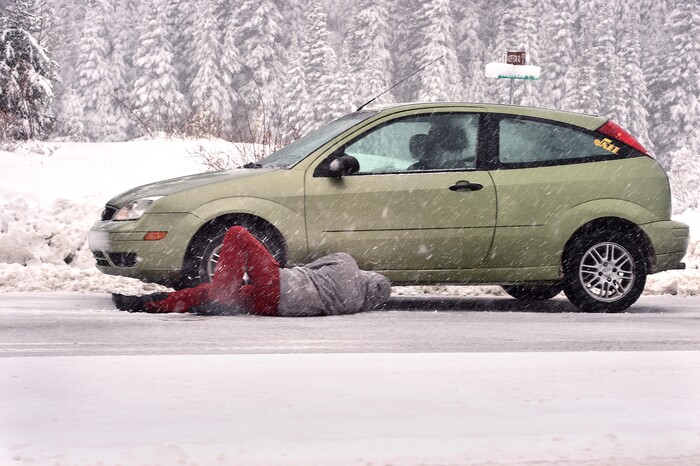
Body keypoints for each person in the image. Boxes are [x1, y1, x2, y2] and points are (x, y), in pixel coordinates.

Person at [112, 226, 392, 317]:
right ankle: (147, 304)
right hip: (274, 307)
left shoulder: (346, 263)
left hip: (280, 285)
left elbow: (309, 266)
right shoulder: (354, 306)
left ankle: (147, 302)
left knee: (237, 234)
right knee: (217, 297)